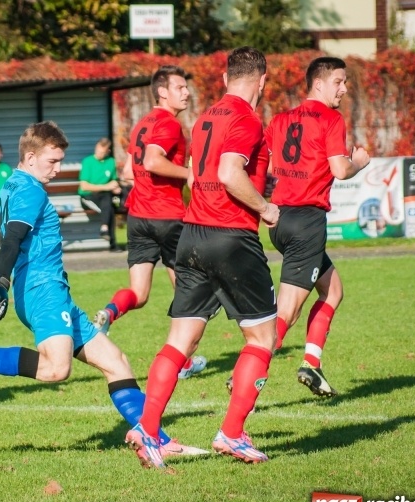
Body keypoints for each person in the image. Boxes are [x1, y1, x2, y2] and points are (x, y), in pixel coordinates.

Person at [0, 121, 206, 458]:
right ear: (31, 156)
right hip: (42, 290)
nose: (58, 168)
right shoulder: (30, 189)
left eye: (60, 160)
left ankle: (155, 439)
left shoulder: (14, 184)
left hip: (53, 291)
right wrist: (0, 280)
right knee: (56, 369)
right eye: (52, 161)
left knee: (116, 362)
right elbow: (13, 238)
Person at [125, 47, 279, 468]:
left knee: (180, 340)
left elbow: (197, 174)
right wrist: (266, 209)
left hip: (191, 235)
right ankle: (231, 434)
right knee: (263, 338)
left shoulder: (206, 117)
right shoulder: (247, 119)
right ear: (262, 82)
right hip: (231, 238)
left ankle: (149, 430)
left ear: (226, 78)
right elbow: (230, 173)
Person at [263, 56, 370, 397]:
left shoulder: (281, 119)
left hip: (280, 219)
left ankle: (311, 363)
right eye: (339, 81)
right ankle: (250, 366)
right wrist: (359, 163)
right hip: (307, 221)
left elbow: (262, 161)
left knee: (333, 290)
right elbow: (339, 170)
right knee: (288, 310)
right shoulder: (330, 118)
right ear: (319, 84)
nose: (344, 88)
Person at [92, 65, 205, 380]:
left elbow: (129, 171)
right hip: (168, 217)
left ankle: (108, 313)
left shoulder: (143, 123)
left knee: (139, 294)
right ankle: (179, 362)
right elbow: (153, 161)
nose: (186, 93)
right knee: (187, 293)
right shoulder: (169, 124)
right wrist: (189, 174)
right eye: (180, 87)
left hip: (138, 217)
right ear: (162, 91)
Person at [77, 137, 123, 251]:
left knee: (109, 201)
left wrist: (115, 187)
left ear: (108, 151)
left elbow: (113, 180)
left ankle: (104, 228)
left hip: (104, 197)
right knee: (109, 206)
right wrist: (106, 187)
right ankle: (113, 244)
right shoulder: (87, 161)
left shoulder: (111, 162)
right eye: (97, 150)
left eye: (102, 152)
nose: (98, 153)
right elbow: (84, 186)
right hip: (87, 197)